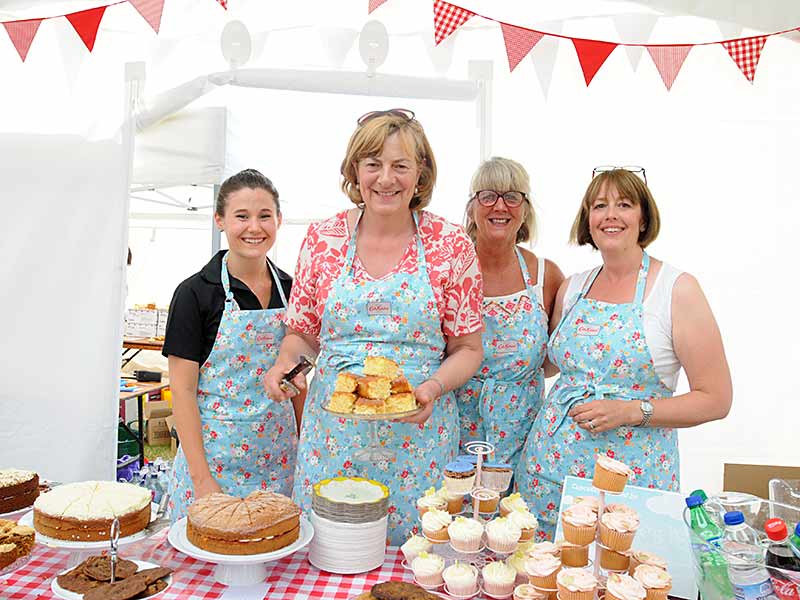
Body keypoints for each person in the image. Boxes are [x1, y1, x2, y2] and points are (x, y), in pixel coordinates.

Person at [263, 109, 484, 543]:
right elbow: (302, 336)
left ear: (420, 173)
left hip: (419, 437)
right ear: (354, 170)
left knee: (418, 557)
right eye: (373, 164)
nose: (386, 179)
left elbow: (468, 348)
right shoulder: (323, 239)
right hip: (334, 438)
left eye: (400, 165)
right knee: (331, 551)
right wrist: (286, 367)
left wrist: (433, 387)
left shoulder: (450, 243)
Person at [514, 167, 732, 540]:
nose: (610, 215)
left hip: (630, 491)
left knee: (624, 571)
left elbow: (716, 400)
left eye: (624, 205)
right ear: (588, 220)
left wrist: (631, 411)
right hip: (548, 478)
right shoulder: (573, 288)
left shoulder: (676, 290)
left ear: (643, 218)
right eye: (599, 206)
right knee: (543, 571)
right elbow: (549, 365)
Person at [163, 169, 300, 522]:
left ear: (279, 220)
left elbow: (298, 379)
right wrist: (202, 480)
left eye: (264, 216)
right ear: (220, 220)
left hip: (280, 465)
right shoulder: (194, 294)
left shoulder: (293, 289)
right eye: (241, 216)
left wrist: (305, 452)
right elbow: (182, 392)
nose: (254, 227)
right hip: (214, 465)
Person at [456, 157, 564, 470]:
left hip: (525, 439)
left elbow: (554, 359)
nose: (500, 206)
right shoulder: (451, 270)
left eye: (512, 197)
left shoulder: (546, 276)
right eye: (488, 196)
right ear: (471, 208)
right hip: (455, 435)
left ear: (525, 209)